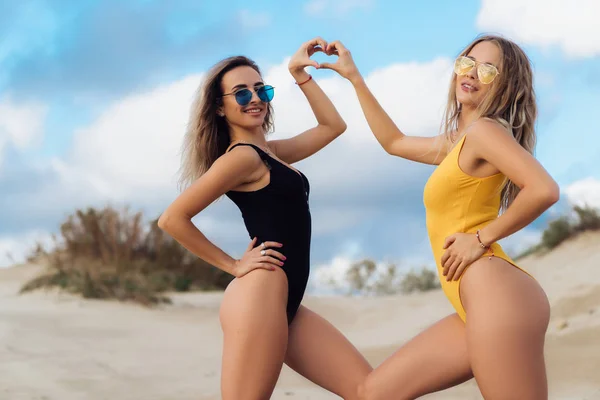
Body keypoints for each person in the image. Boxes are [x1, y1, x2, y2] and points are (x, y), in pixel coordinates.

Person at [320, 35, 559, 399]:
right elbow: (394, 142)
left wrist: (480, 239)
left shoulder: (484, 132)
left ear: (506, 87)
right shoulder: (461, 142)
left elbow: (544, 189)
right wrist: (355, 78)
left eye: (488, 70)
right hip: (477, 303)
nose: (473, 74)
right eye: (467, 62)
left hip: (498, 295)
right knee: (374, 392)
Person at [157, 37, 371, 400]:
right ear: (220, 108)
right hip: (260, 292)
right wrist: (234, 265)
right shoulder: (241, 158)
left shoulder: (270, 153)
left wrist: (298, 74)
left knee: (369, 389)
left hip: (285, 299)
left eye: (261, 90)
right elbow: (173, 219)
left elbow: (333, 127)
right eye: (241, 94)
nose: (254, 99)